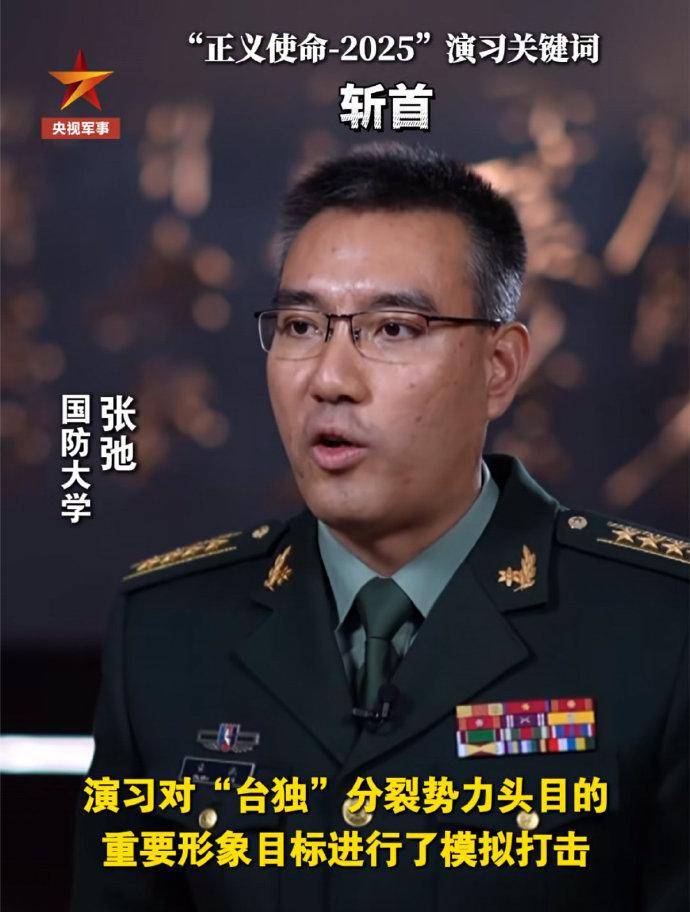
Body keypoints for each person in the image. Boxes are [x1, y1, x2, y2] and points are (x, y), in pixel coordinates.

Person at [71, 143, 688, 912]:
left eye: (393, 329)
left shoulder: (661, 627)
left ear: (499, 367)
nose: (329, 379)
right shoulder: (166, 630)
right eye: (301, 325)